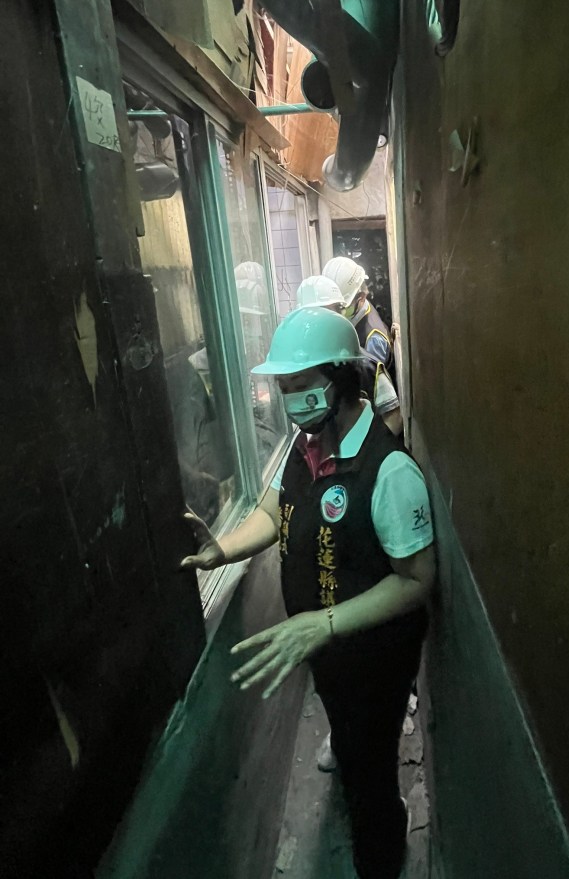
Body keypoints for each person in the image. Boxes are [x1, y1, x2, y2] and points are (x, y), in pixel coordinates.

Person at [181, 308, 435, 879]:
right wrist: (223, 549)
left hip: (375, 657)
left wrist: (323, 623)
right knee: (349, 742)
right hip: (325, 648)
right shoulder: (306, 446)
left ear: (342, 379)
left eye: (302, 385)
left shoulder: (389, 472)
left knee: (370, 769)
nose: (290, 400)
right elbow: (274, 510)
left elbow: (417, 580)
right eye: (284, 387)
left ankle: (382, 853)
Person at [297, 274, 402, 436]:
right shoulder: (301, 367)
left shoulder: (365, 365)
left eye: (324, 315)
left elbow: (393, 418)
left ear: (340, 312)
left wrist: (367, 448)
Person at [322, 256, 395, 375]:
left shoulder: (373, 340)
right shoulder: (359, 309)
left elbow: (368, 380)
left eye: (340, 307)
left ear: (361, 298)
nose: (334, 313)